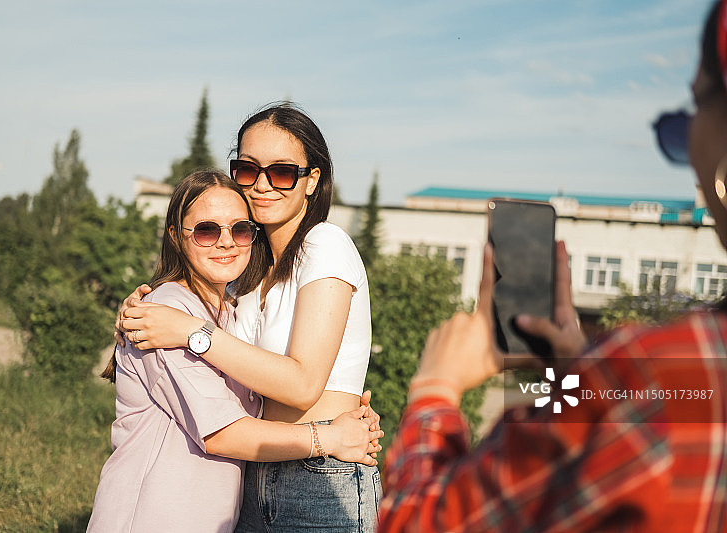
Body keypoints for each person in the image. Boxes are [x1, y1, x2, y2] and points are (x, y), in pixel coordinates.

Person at [377, 2, 727, 531]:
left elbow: (415, 521)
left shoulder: (660, 374)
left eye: (689, 120)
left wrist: (435, 390)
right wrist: (583, 374)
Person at [117, 103, 383, 531]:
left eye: (281, 173)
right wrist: (138, 312)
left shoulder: (325, 244)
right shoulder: (247, 272)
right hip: (253, 469)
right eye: (247, 169)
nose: (262, 185)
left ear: (312, 179)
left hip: (321, 475)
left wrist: (190, 331)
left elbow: (302, 385)